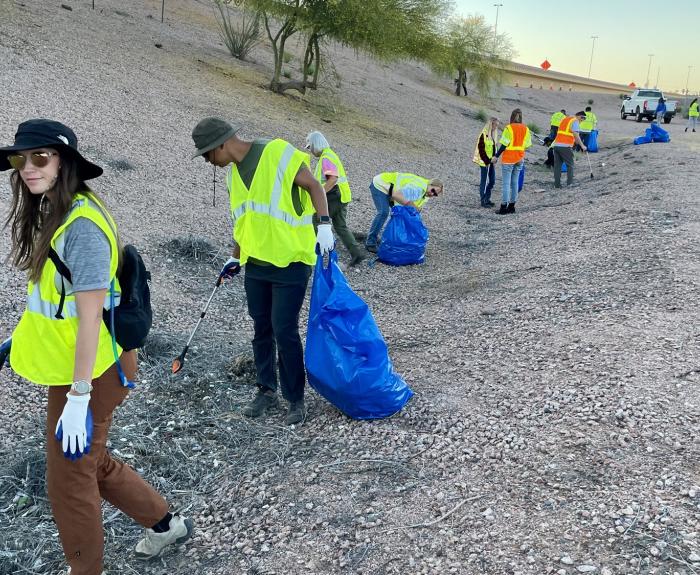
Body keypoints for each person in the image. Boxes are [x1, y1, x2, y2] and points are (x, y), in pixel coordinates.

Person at [0, 119, 193, 575]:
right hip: (78, 365)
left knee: (69, 478)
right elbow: (56, 303)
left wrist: (79, 396)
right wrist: (16, 341)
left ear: (64, 163)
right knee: (88, 459)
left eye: (40, 158)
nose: (28, 168)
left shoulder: (81, 226)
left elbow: (89, 317)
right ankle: (166, 525)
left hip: (95, 370)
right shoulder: (58, 209)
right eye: (20, 159)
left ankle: (85, 570)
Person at [191, 118, 333, 426]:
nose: (207, 161)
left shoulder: (277, 152)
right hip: (256, 265)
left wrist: (324, 226)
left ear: (222, 144)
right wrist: (234, 258)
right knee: (261, 329)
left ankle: (295, 399)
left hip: (291, 262)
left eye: (206, 154)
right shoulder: (233, 178)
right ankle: (265, 391)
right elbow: (244, 222)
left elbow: (314, 186)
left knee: (284, 329)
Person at [305, 131, 366, 267]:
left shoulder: (326, 158)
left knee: (316, 220)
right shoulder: (330, 155)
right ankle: (357, 253)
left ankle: (318, 254)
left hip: (334, 195)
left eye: (310, 147)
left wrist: (319, 193)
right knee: (340, 226)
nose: (310, 151)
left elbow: (333, 179)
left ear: (315, 144)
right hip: (343, 196)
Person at [365, 172, 443, 253]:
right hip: (380, 185)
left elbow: (413, 208)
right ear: (430, 184)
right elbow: (396, 195)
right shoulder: (417, 188)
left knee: (401, 216)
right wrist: (411, 205)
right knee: (383, 212)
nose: (432, 194)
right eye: (433, 190)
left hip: (392, 190)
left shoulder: (425, 192)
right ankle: (370, 243)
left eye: (435, 194)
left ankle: (392, 240)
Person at [492, 108, 532, 214]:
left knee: (506, 183)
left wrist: (496, 156)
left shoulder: (509, 128)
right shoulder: (525, 129)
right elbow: (527, 145)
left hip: (508, 159)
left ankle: (503, 207)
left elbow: (504, 144)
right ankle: (512, 206)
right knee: (514, 182)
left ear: (512, 116)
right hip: (520, 158)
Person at [551, 111, 587, 188]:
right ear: (580, 117)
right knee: (570, 165)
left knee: (557, 166)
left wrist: (576, 142)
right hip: (565, 146)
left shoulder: (565, 119)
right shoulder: (575, 121)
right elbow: (576, 134)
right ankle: (570, 183)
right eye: (582, 119)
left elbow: (567, 133)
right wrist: (582, 145)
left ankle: (557, 185)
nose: (581, 121)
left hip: (556, 145)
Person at [472, 117, 499, 207]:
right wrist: (488, 160)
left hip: (491, 162)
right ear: (491, 124)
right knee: (485, 181)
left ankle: (487, 198)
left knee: (492, 181)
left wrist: (495, 159)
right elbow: (481, 150)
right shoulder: (483, 135)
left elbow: (494, 147)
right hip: (484, 162)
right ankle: (483, 200)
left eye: (497, 125)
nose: (496, 127)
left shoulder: (493, 135)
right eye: (495, 125)